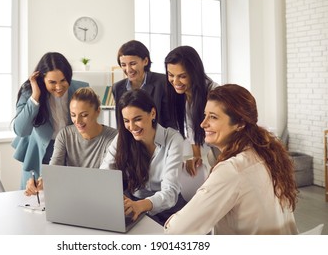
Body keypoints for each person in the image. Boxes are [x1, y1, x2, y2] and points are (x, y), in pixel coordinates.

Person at [164, 84, 299, 235]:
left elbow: (177, 230)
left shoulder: (232, 170)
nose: (203, 124)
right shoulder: (267, 155)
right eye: (205, 115)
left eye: (213, 117)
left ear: (240, 124)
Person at [100, 89, 186, 226]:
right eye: (126, 121)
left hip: (168, 209)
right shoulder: (122, 138)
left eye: (137, 119)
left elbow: (170, 193)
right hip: (133, 203)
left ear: (152, 113)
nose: (132, 127)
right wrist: (116, 198)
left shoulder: (173, 139)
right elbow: (104, 173)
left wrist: (141, 205)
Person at [12, 52, 89, 189]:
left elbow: (90, 124)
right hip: (40, 153)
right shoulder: (29, 92)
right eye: (52, 82)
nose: (59, 87)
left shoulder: (81, 89)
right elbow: (21, 130)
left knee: (68, 198)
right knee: (35, 201)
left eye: (63, 80)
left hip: (71, 151)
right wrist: (35, 97)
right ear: (42, 79)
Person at [24, 87, 118, 195]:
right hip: (70, 195)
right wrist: (40, 182)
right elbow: (54, 169)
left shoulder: (113, 137)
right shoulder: (65, 135)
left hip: (99, 195)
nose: (77, 121)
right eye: (73, 115)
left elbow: (107, 178)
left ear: (97, 111)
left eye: (84, 115)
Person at [164, 45, 219, 176]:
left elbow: (226, 132)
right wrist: (196, 156)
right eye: (171, 75)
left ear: (194, 73)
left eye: (182, 76)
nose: (175, 81)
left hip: (228, 148)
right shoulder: (187, 94)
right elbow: (191, 127)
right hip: (216, 149)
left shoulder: (214, 93)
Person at [112, 40, 174, 128]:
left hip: (158, 138)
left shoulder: (163, 82)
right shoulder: (117, 88)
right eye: (123, 65)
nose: (128, 69)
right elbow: (120, 124)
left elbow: (170, 122)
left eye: (133, 63)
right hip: (131, 138)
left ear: (145, 61)